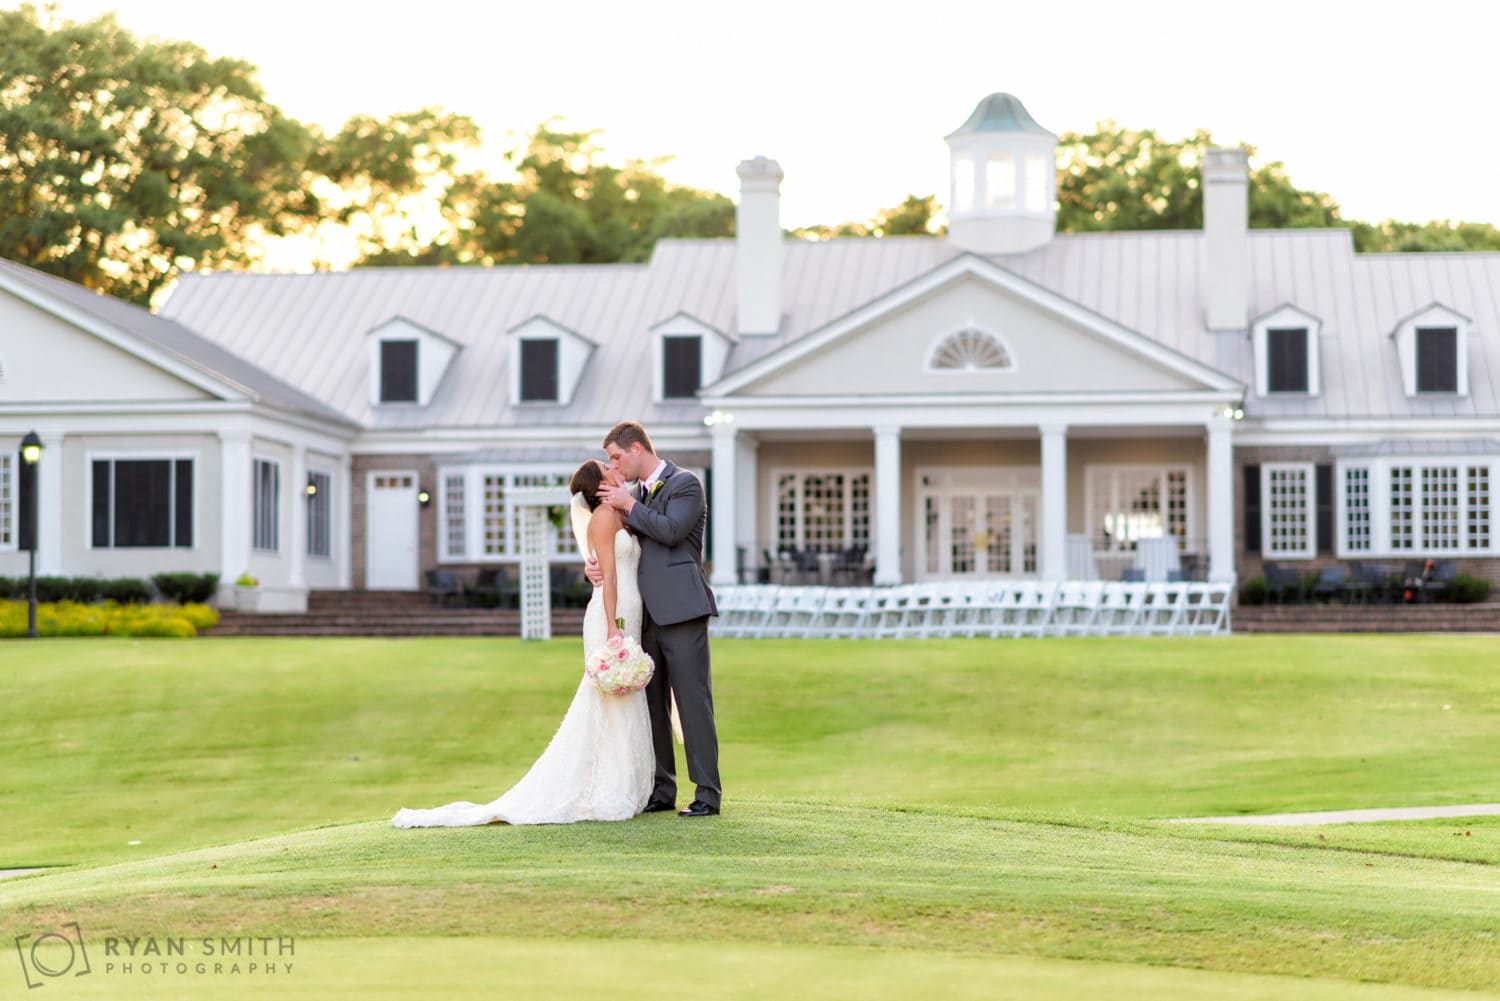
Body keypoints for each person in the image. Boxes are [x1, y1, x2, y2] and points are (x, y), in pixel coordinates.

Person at [391, 459, 652, 827]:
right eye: (607, 467)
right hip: (612, 612)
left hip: (631, 608)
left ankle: (628, 779)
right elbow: (608, 576)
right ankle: (606, 783)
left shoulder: (623, 511)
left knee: (624, 697)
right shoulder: (605, 518)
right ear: (600, 485)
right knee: (606, 699)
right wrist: (612, 626)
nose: (614, 467)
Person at [589, 420, 721, 818]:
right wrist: (591, 567)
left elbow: (671, 530)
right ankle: (662, 790)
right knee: (651, 705)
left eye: (616, 457)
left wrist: (629, 505)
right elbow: (616, 545)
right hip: (644, 613)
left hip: (682, 610)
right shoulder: (632, 495)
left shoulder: (686, 485)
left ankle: (707, 795)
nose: (614, 465)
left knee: (692, 703)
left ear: (637, 450)